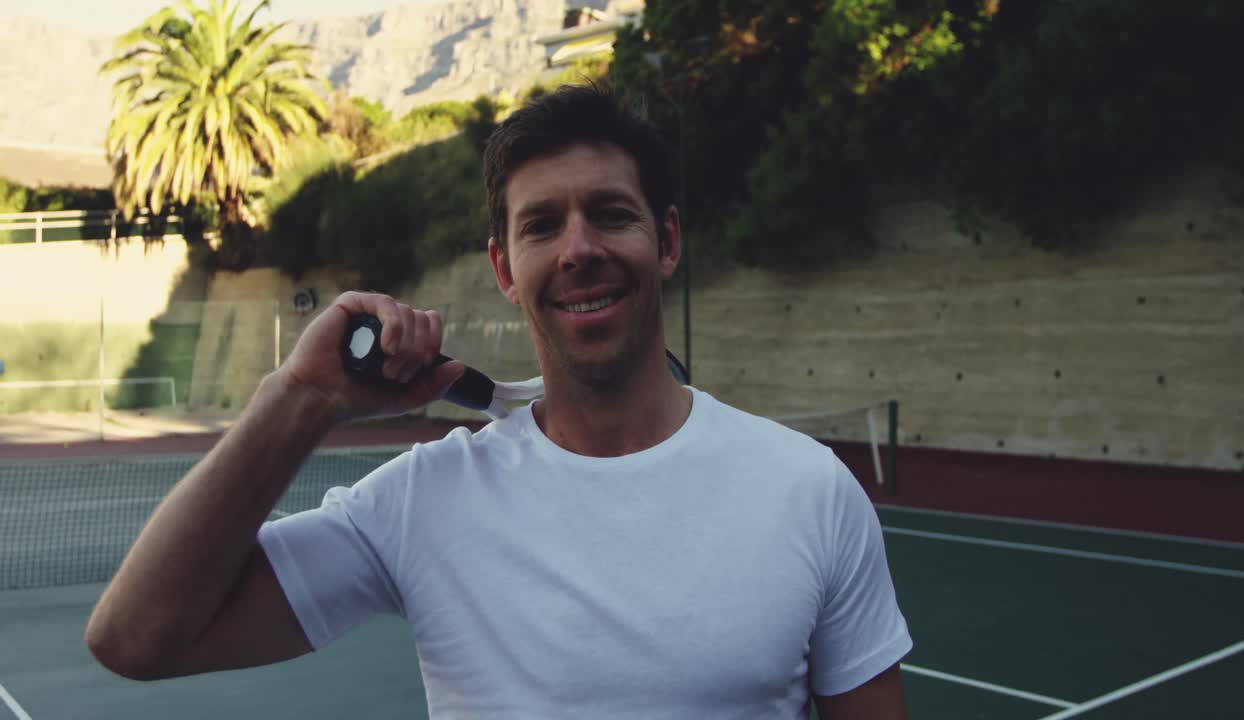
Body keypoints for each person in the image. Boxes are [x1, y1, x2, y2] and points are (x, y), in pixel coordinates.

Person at [86, 84, 913, 719]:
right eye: (542, 225)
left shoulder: (810, 490)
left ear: (665, 242)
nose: (580, 249)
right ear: (503, 269)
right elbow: (135, 639)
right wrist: (300, 397)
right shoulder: (422, 501)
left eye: (609, 215)